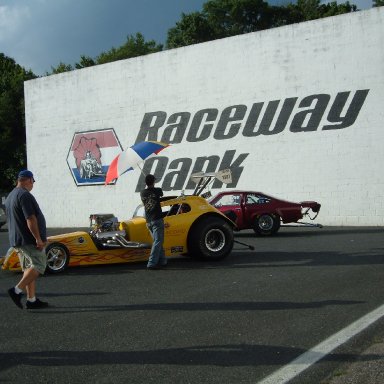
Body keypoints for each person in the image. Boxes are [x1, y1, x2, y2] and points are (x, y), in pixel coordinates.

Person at [5, 169, 48, 309]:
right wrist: (38, 239)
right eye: (33, 181)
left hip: (17, 240)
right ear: (29, 180)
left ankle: (31, 300)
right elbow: (30, 218)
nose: (33, 184)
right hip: (28, 240)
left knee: (28, 268)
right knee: (39, 265)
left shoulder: (11, 195)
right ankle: (17, 290)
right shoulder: (25, 195)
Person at [140, 174, 167, 270]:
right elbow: (161, 193)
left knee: (157, 241)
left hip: (148, 221)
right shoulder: (157, 190)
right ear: (153, 182)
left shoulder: (142, 192)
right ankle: (151, 263)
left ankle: (163, 260)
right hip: (157, 219)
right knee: (158, 241)